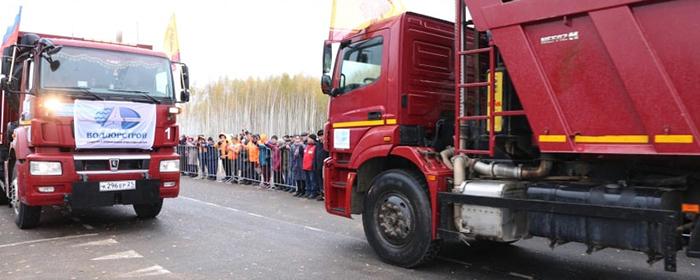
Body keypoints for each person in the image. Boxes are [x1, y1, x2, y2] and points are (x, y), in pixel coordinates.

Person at [302, 134, 319, 199]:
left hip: (311, 167)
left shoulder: (315, 147)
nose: (308, 139)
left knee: (313, 180)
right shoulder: (306, 146)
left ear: (313, 139)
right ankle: (308, 191)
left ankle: (313, 192)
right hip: (305, 166)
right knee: (307, 180)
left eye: (309, 138)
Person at [314, 130, 329, 201]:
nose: (321, 138)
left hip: (324, 165)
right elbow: (316, 155)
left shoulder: (327, 144)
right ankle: (322, 194)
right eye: (319, 136)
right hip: (318, 165)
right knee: (320, 180)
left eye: (322, 136)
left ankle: (326, 195)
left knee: (324, 180)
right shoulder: (318, 144)